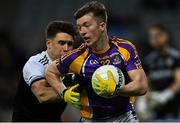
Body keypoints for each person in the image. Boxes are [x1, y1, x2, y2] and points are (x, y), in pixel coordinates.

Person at [45, 1, 148, 122]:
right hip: (91, 119)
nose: (82, 32)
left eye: (86, 25)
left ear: (102, 26)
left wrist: (117, 89)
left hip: (124, 117)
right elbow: (50, 72)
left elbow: (142, 86)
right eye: (79, 28)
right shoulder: (75, 56)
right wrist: (63, 92)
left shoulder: (125, 49)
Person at [12, 20, 77, 122]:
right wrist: (68, 91)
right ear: (49, 44)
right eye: (61, 43)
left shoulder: (73, 67)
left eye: (70, 44)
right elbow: (42, 95)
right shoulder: (35, 63)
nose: (66, 48)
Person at [136, 24, 180, 121]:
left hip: (175, 115)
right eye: (152, 36)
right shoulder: (148, 61)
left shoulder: (176, 57)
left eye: (158, 35)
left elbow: (178, 82)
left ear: (166, 36)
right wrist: (142, 102)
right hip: (155, 114)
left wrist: (166, 95)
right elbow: (146, 85)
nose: (154, 38)